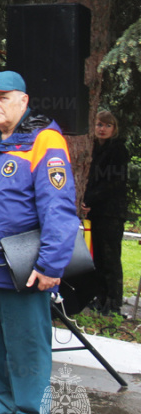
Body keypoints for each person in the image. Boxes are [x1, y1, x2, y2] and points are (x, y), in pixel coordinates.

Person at [0, 71, 79, 414]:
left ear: (23, 101)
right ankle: (7, 405)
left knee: (27, 344)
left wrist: (50, 265)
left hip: (23, 267)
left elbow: (59, 209)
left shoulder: (45, 141)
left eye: (3, 97)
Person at [82, 110, 129, 316]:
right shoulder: (91, 149)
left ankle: (113, 303)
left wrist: (89, 199)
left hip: (111, 212)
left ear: (114, 129)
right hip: (95, 210)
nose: (102, 129)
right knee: (98, 258)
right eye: (99, 124)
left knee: (110, 258)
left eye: (107, 125)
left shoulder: (118, 151)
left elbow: (113, 183)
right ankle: (100, 299)